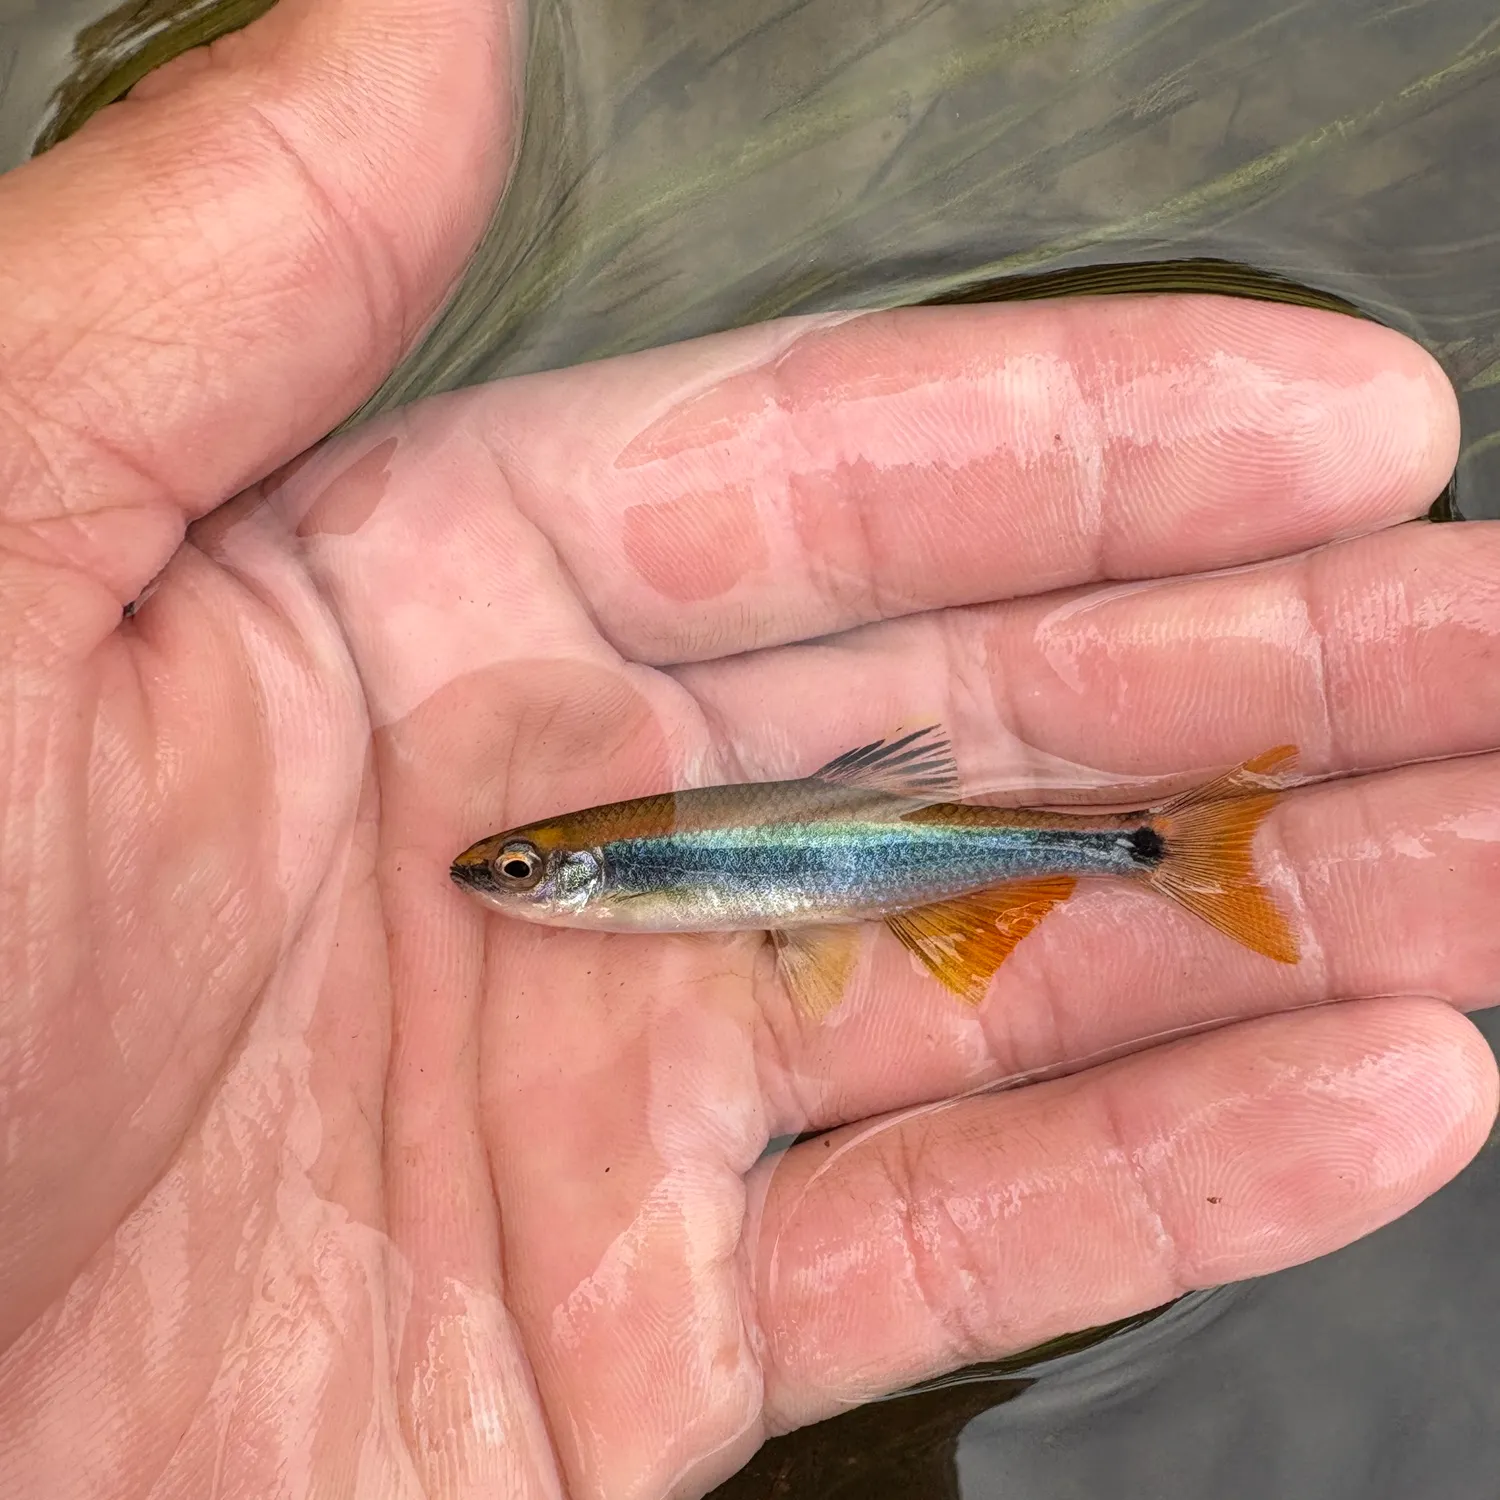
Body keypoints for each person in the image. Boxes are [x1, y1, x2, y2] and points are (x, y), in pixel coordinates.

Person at [0, 0, 1495, 1495]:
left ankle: (1153, 848)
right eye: (518, 868)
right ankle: (1148, 852)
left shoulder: (629, 873)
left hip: (895, 859)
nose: (510, 880)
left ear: (586, 873)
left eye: (523, 868)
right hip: (887, 865)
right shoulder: (617, 869)